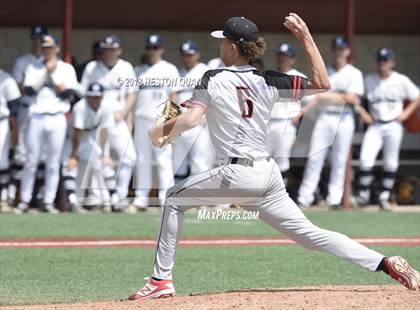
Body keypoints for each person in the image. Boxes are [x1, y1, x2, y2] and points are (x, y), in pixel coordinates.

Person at [128, 15, 420, 300]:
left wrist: (159, 131)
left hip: (238, 173)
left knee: (173, 198)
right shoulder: (268, 80)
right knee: (311, 235)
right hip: (267, 174)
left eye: (224, 42)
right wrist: (305, 37)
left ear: (232, 48)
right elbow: (322, 83)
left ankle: (160, 280)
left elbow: (191, 120)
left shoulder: (213, 77)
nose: (220, 46)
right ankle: (386, 262)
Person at [296, 37, 364, 209]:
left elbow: (353, 99)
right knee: (314, 158)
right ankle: (305, 198)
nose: (339, 52)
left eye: (342, 49)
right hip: (324, 117)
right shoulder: (327, 71)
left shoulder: (354, 73)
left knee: (340, 160)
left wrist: (327, 97)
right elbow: (318, 96)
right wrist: (339, 97)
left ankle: (334, 200)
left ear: (347, 51)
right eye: (336, 49)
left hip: (344, 118)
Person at [15, 34, 79, 214]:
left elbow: (69, 94)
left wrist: (54, 77)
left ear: (57, 49)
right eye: (45, 48)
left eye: (50, 48)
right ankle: (25, 200)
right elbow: (28, 90)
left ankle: (48, 201)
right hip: (36, 115)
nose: (47, 50)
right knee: (31, 160)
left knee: (53, 162)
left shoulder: (66, 68)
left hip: (57, 116)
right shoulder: (33, 66)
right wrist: (46, 73)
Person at [356, 48, 420, 210]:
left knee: (391, 162)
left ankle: (384, 196)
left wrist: (406, 113)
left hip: (394, 124)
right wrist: (363, 113)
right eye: (380, 60)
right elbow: (355, 99)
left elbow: (417, 96)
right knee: (365, 158)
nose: (383, 63)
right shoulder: (369, 79)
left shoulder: (401, 80)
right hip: (376, 124)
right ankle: (364, 195)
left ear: (392, 62)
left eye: (386, 60)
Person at [81, 35, 137, 208]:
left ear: (119, 50)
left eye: (113, 49)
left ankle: (119, 196)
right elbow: (84, 93)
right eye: (106, 49)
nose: (109, 52)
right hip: (99, 122)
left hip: (117, 119)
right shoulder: (92, 67)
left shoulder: (126, 67)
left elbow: (132, 93)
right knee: (98, 160)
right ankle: (101, 198)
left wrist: (124, 114)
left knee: (129, 158)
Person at [133, 35, 179, 208]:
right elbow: (134, 97)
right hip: (141, 119)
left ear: (162, 49)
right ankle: (141, 197)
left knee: (163, 159)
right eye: (149, 47)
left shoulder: (169, 69)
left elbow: (173, 97)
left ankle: (166, 197)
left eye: (156, 47)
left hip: (161, 121)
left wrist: (170, 122)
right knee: (142, 159)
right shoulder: (138, 70)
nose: (152, 51)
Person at [61, 82, 117, 213]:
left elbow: (103, 132)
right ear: (87, 97)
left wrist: (105, 155)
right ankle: (72, 201)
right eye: (92, 97)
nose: (95, 100)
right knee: (69, 167)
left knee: (104, 164)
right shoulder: (80, 107)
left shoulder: (107, 108)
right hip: (71, 140)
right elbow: (77, 134)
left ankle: (114, 199)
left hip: (88, 139)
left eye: (98, 97)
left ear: (102, 97)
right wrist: (73, 157)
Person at [10, 25, 48, 206]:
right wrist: (28, 88)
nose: (38, 42)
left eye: (41, 39)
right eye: (36, 39)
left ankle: (38, 196)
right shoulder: (23, 61)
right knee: (22, 153)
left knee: (43, 154)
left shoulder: (52, 63)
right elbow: (17, 88)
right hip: (27, 109)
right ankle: (17, 195)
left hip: (47, 112)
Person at [173, 41, 214, 184]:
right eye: (185, 55)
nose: (188, 58)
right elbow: (173, 96)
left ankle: (199, 200)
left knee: (200, 163)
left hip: (199, 124)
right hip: (181, 123)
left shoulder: (205, 71)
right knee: (178, 163)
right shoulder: (178, 72)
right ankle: (179, 199)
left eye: (190, 55)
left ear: (197, 55)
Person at [267, 43, 307, 186]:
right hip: (268, 122)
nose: (282, 59)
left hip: (287, 122)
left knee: (282, 160)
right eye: (280, 55)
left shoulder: (299, 77)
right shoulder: (269, 74)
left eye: (286, 56)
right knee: (264, 160)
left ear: (292, 59)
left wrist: (301, 112)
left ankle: (280, 194)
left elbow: (313, 100)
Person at [0, 67, 21, 211]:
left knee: (2, 161)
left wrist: (15, 131)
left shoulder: (5, 78)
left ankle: (3, 197)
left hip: (2, 121)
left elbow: (14, 109)